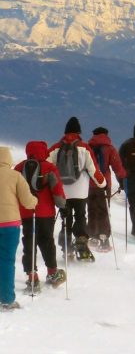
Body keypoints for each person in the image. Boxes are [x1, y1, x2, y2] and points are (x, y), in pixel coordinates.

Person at [48, 116, 106, 261]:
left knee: (65, 218)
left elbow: (46, 165)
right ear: (79, 132)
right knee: (80, 216)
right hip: (80, 191)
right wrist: (102, 184)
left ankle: (66, 248)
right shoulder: (84, 148)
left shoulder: (56, 147)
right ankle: (81, 238)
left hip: (63, 191)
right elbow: (93, 169)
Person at [15, 141, 67, 293]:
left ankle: (32, 277)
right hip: (45, 213)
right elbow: (57, 190)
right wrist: (63, 207)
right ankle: (52, 273)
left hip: (26, 212)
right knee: (47, 241)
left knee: (29, 243)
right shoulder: (49, 168)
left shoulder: (19, 168)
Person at [0, 146, 37, 311]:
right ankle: (6, 300)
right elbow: (28, 202)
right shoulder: (15, 176)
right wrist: (35, 201)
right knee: (7, 261)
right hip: (9, 225)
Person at [87, 127, 127, 252]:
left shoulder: (88, 148)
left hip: (89, 185)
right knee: (103, 211)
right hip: (104, 185)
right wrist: (122, 181)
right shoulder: (110, 148)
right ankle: (104, 239)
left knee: (92, 210)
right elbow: (117, 167)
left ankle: (93, 237)